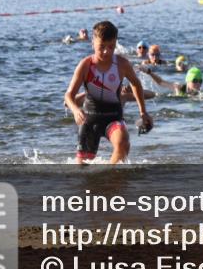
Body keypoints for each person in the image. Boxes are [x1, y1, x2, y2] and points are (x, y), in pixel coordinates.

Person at [64, 21, 152, 164]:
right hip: (89, 120)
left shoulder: (122, 64)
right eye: (102, 47)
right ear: (93, 43)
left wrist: (143, 112)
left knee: (123, 143)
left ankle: (110, 179)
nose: (106, 51)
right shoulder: (86, 65)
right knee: (81, 173)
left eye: (111, 47)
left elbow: (136, 84)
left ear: (116, 43)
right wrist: (75, 110)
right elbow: (68, 95)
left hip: (113, 117)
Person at [139, 65, 203, 96]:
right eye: (195, 81)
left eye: (200, 81)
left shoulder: (201, 95)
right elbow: (161, 82)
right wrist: (149, 72)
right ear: (188, 81)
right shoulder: (178, 88)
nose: (198, 84)